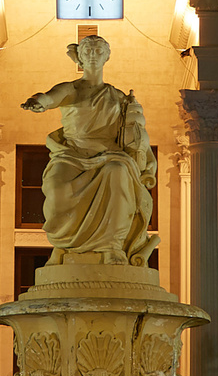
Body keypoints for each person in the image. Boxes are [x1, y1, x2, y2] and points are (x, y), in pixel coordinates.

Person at [21, 33, 156, 264]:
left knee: (118, 172)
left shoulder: (119, 97)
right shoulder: (71, 89)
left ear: (106, 57)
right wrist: (39, 102)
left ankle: (111, 246)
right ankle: (63, 245)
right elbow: (50, 97)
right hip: (71, 155)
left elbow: (137, 134)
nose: (93, 55)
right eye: (87, 52)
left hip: (111, 156)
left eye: (98, 51)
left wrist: (146, 162)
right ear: (80, 59)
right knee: (56, 187)